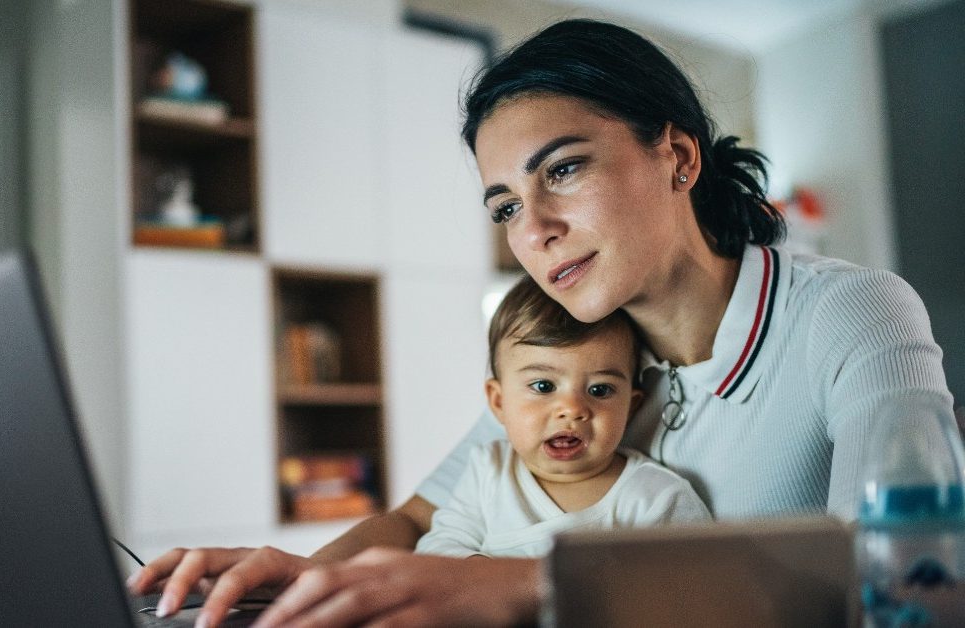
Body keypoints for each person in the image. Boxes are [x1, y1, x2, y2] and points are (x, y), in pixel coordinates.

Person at [128, 18, 952, 627]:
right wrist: (301, 580)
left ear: (679, 156)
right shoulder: (578, 343)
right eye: (506, 206)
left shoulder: (849, 312)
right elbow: (416, 520)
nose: (535, 230)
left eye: (562, 169)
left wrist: (532, 582)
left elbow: (912, 584)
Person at [416, 274, 711, 558]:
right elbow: (440, 547)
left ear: (631, 407)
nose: (572, 409)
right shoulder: (489, 472)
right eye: (544, 386)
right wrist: (479, 574)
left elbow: (695, 588)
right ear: (499, 402)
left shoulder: (655, 497)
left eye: (600, 390)